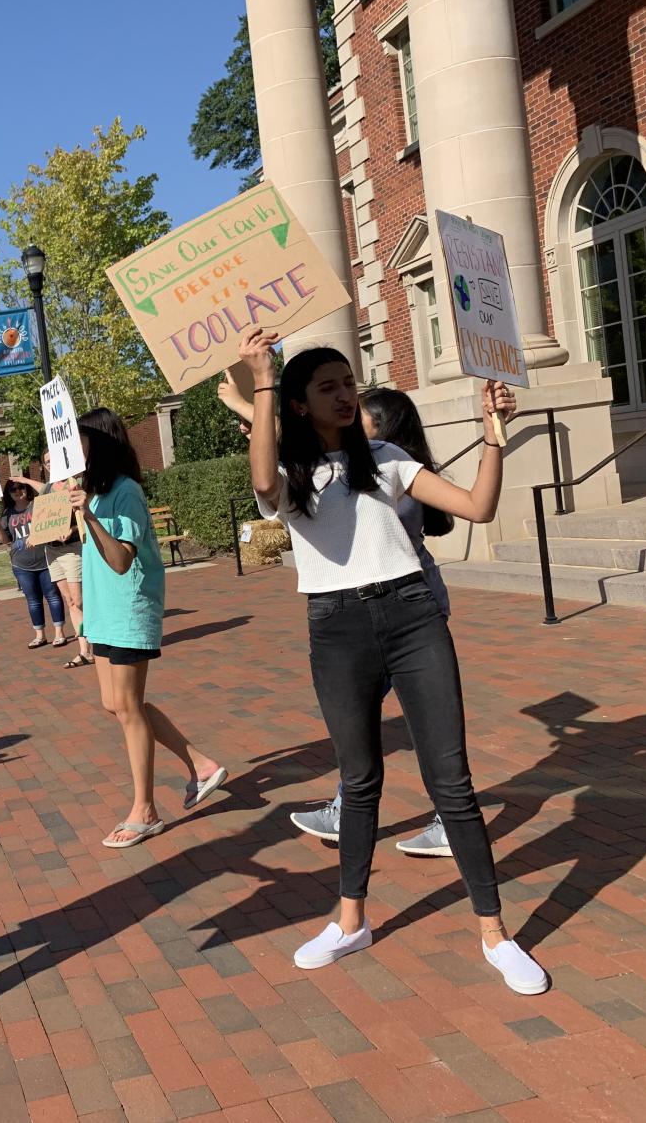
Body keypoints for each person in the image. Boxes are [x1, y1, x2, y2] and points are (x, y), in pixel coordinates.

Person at [219, 329, 547, 996]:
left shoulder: (387, 458)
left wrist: (492, 436)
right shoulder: (292, 472)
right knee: (359, 780)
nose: (344, 395)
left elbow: (476, 507)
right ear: (300, 404)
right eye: (327, 388)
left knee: (449, 781)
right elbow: (261, 478)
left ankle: (494, 933)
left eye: (348, 383)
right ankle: (350, 921)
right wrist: (260, 379)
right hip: (336, 628)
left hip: (411, 617)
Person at [288, 386, 486, 859]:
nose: (351, 417)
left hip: (410, 610)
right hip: (382, 610)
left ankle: (424, 816)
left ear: (382, 427)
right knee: (372, 730)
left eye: (362, 415)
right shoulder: (379, 466)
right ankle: (352, 807)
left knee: (424, 730)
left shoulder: (392, 469)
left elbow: (356, 520)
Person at [67, 408, 229, 848]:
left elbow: (121, 561)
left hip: (129, 610)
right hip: (103, 614)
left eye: (80, 440)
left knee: (128, 708)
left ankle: (146, 810)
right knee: (116, 704)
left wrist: (91, 518)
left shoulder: (126, 493)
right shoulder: (94, 493)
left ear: (99, 443)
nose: (73, 449)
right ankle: (200, 764)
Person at [11, 451, 92, 668]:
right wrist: (36, 536)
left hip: (72, 548)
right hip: (52, 551)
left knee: (79, 600)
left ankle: (93, 642)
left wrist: (73, 529)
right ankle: (85, 650)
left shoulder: (76, 483)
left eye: (51, 461)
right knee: (70, 601)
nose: (48, 465)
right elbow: (43, 514)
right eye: (46, 462)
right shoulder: (48, 488)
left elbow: (88, 513)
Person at [0, 477, 69, 650]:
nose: (18, 491)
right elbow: (4, 540)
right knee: (33, 600)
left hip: (45, 559)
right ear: (8, 494)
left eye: (21, 487)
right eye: (13, 489)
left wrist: (24, 478)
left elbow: (49, 495)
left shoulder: (37, 504)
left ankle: (59, 633)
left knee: (53, 596)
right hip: (21, 564)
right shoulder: (7, 513)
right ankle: (40, 635)